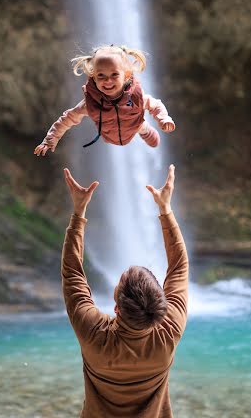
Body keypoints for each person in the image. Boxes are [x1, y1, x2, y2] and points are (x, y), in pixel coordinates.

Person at [62, 164, 188, 417]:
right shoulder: (167, 334)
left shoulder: (94, 334)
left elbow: (73, 274)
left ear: (117, 308)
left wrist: (79, 211)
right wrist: (165, 209)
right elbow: (178, 268)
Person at [34, 45, 175, 155]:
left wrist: (163, 119)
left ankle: (145, 130)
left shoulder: (135, 96)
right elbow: (66, 119)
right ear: (93, 77)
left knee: (140, 125)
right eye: (101, 75)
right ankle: (143, 129)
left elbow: (155, 105)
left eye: (114, 74)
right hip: (108, 135)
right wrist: (50, 139)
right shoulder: (89, 104)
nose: (108, 80)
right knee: (131, 126)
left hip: (134, 126)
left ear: (126, 75)